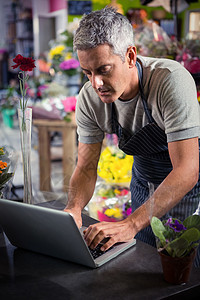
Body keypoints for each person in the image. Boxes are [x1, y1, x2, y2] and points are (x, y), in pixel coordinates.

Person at [64, 6, 200, 264]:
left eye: (104, 69)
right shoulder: (89, 97)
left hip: (189, 188)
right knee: (144, 264)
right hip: (143, 183)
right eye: (87, 73)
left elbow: (187, 170)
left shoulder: (170, 81)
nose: (96, 84)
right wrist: (74, 209)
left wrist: (130, 223)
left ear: (129, 55)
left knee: (184, 269)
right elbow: (85, 167)